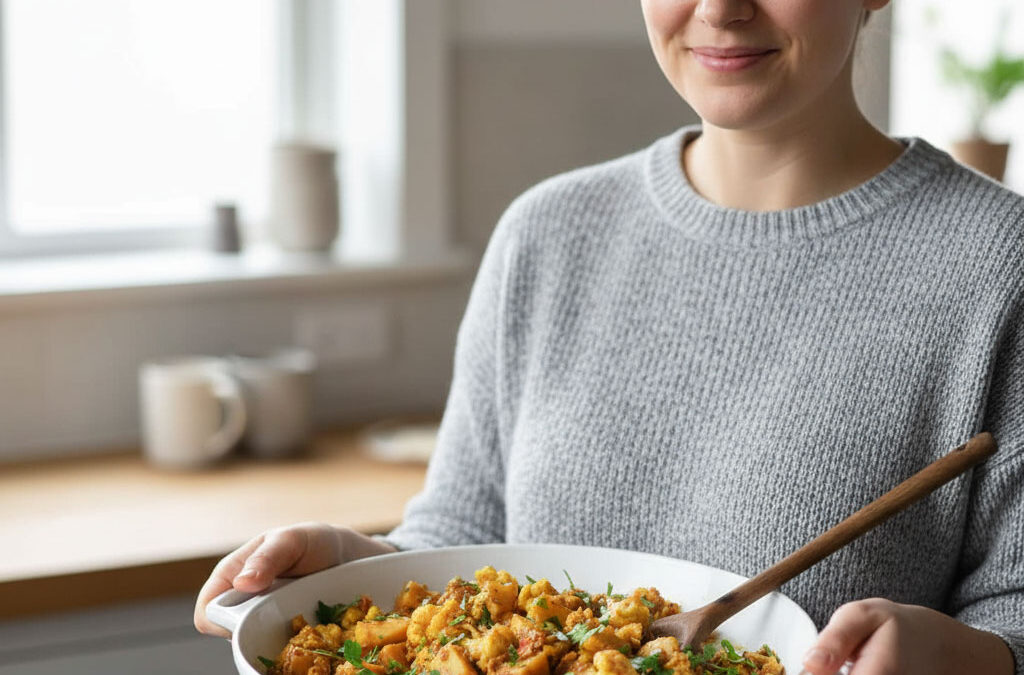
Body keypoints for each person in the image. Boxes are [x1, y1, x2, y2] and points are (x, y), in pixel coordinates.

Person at [196, 1, 1024, 673]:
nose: (723, 8)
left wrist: (965, 659)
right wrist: (354, 563)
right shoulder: (547, 233)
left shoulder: (1000, 264)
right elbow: (462, 545)